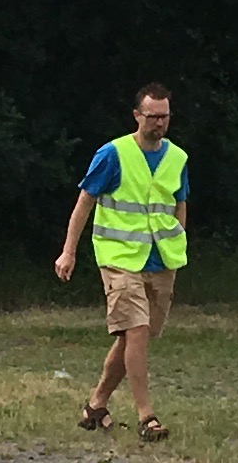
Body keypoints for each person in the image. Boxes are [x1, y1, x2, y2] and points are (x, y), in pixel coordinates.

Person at [57, 84, 188, 442]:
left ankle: (95, 405)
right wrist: (69, 251)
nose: (159, 123)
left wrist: (178, 235)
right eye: (153, 116)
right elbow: (85, 201)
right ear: (137, 116)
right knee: (137, 331)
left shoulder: (177, 158)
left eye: (165, 116)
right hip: (118, 258)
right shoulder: (112, 154)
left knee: (134, 337)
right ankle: (147, 416)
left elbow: (180, 200)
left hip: (161, 259)